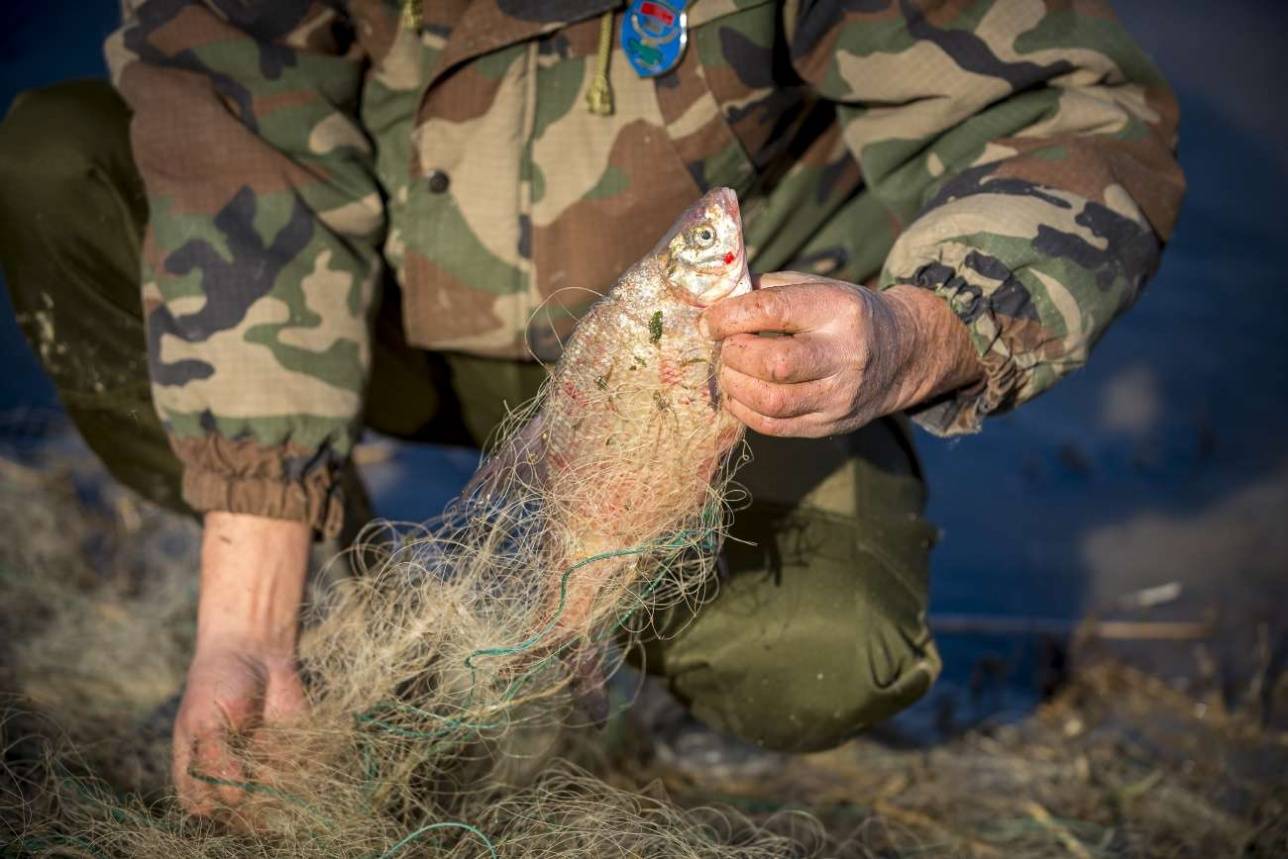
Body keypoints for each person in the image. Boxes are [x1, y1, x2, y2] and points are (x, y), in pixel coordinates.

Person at [0, 0, 1182, 817]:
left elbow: (1074, 117)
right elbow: (235, 144)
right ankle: (360, 606)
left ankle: (563, 637)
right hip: (377, 314)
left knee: (823, 659)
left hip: (740, 366)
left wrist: (918, 333)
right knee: (60, 157)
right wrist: (247, 623)